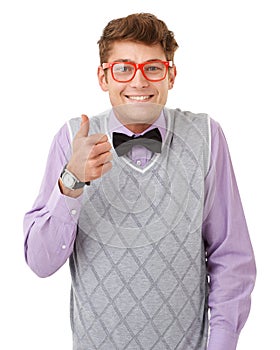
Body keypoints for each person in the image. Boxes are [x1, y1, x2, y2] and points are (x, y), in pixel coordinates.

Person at [23, 13, 256, 350]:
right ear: (103, 77)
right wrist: (72, 180)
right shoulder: (72, 139)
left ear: (171, 75)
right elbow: (41, 262)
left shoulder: (206, 136)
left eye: (153, 68)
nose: (138, 82)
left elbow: (232, 258)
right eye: (123, 68)